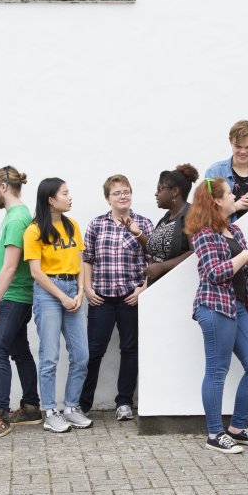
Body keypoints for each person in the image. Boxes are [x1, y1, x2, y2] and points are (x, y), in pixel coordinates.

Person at [185, 176, 248, 454]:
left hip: (237, 306)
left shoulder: (235, 230)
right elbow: (214, 273)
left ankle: (237, 427)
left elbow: (243, 272)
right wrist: (244, 257)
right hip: (214, 306)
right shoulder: (203, 234)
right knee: (217, 371)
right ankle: (214, 433)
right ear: (217, 200)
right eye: (229, 193)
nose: (235, 195)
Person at [80, 174, 154, 421]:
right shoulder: (96, 225)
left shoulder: (144, 223)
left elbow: (153, 260)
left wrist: (143, 288)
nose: (123, 196)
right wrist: (88, 289)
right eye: (117, 193)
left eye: (126, 191)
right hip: (101, 298)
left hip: (130, 298)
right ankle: (83, 403)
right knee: (93, 351)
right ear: (107, 198)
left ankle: (123, 403)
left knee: (130, 349)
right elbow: (87, 259)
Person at [24, 177, 92, 433]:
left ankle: (71, 407)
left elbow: (81, 261)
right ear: (51, 200)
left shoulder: (72, 225)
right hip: (48, 293)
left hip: (73, 290)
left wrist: (80, 292)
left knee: (81, 355)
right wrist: (61, 296)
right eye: (65, 193)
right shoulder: (33, 231)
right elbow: (36, 272)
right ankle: (50, 411)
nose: (70, 197)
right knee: (49, 357)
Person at [0, 166, 42, 439]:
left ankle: (0, 415)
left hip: (12, 297)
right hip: (14, 297)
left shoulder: (17, 218)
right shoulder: (15, 216)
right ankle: (31, 407)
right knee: (19, 351)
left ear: (4, 187)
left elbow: (10, 266)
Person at [123, 164, 198, 286]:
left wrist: (162, 267)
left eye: (160, 189)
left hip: (177, 288)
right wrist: (137, 233)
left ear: (174, 191)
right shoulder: (166, 218)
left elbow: (195, 252)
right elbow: (153, 248)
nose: (156, 194)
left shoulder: (191, 215)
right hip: (158, 289)